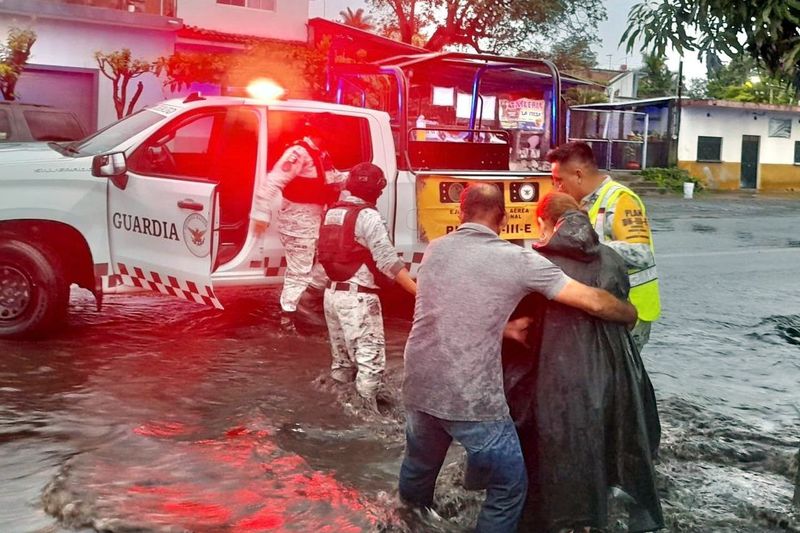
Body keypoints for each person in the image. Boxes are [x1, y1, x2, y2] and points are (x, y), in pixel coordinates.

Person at [399, 184, 638, 533]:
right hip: (471, 397)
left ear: (459, 213)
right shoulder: (519, 260)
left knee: (419, 466)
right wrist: (629, 312)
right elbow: (594, 302)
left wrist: (505, 328)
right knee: (509, 485)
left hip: (419, 383)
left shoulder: (436, 249)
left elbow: (452, 306)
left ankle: (408, 520)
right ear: (504, 216)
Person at [502, 192, 664, 533]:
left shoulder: (535, 262)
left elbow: (522, 323)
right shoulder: (612, 259)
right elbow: (618, 306)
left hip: (554, 373)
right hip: (613, 369)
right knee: (606, 439)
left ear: (545, 222)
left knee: (551, 448)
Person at [316, 163, 416, 412]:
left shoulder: (332, 213)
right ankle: (366, 421)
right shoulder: (368, 217)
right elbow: (388, 262)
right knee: (371, 363)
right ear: (376, 189)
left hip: (331, 296)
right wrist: (418, 291)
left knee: (342, 364)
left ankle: (336, 410)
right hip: (358, 299)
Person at [546, 141, 661, 351]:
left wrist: (589, 247)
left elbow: (641, 254)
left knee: (621, 378)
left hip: (630, 309)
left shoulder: (620, 199)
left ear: (578, 175)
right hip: (605, 307)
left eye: (559, 180)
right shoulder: (583, 202)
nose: (557, 187)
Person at [250, 114, 347, 316]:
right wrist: (260, 213)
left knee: (329, 259)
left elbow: (332, 178)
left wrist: (353, 176)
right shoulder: (297, 153)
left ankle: (302, 304)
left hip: (315, 218)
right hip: (297, 220)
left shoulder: (320, 154)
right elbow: (272, 182)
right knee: (298, 273)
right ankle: (289, 316)